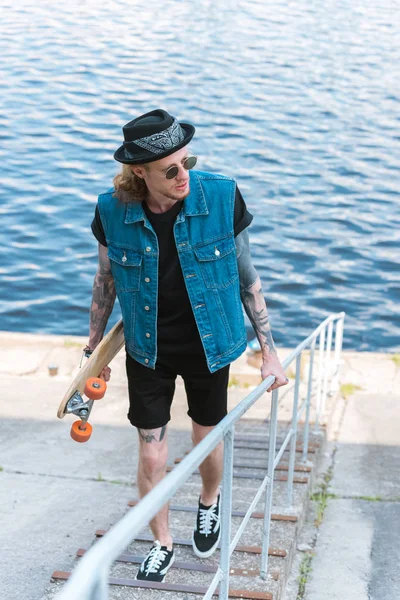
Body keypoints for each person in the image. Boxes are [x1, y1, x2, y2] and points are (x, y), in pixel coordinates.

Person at [87, 109, 288, 583]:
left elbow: (248, 280)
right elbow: (105, 280)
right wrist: (92, 352)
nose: (184, 175)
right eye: (170, 170)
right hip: (147, 348)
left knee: (206, 440)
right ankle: (161, 541)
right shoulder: (111, 210)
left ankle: (209, 501)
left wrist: (270, 353)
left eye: (187, 162)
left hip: (209, 344)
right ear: (140, 172)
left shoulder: (219, 196)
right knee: (151, 454)